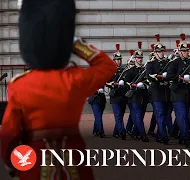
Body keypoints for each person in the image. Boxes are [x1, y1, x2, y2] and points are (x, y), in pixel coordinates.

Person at [0, 0, 117, 179]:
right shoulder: (74, 79)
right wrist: (75, 43)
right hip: (75, 163)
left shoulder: (20, 85)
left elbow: (10, 134)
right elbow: (107, 66)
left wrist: (11, 162)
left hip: (36, 164)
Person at [167, 33, 190, 147]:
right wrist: (180, 77)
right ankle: (186, 137)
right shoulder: (174, 63)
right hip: (177, 93)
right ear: (180, 52)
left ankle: (177, 134)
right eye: (183, 51)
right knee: (182, 116)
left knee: (184, 116)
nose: (185, 52)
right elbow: (169, 76)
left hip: (188, 93)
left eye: (187, 50)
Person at [147, 34, 171, 144]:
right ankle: (164, 135)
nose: (161, 53)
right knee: (160, 114)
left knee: (165, 114)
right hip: (156, 92)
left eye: (162, 51)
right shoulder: (151, 64)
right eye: (159, 51)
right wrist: (160, 76)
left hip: (166, 92)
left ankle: (159, 135)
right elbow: (149, 76)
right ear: (155, 53)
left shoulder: (167, 63)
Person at [106, 44, 128, 140]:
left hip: (122, 95)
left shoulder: (123, 70)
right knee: (118, 115)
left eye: (120, 59)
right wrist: (115, 84)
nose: (119, 61)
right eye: (117, 59)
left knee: (121, 115)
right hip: (115, 96)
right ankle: (122, 132)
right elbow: (107, 83)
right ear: (114, 60)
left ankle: (116, 132)